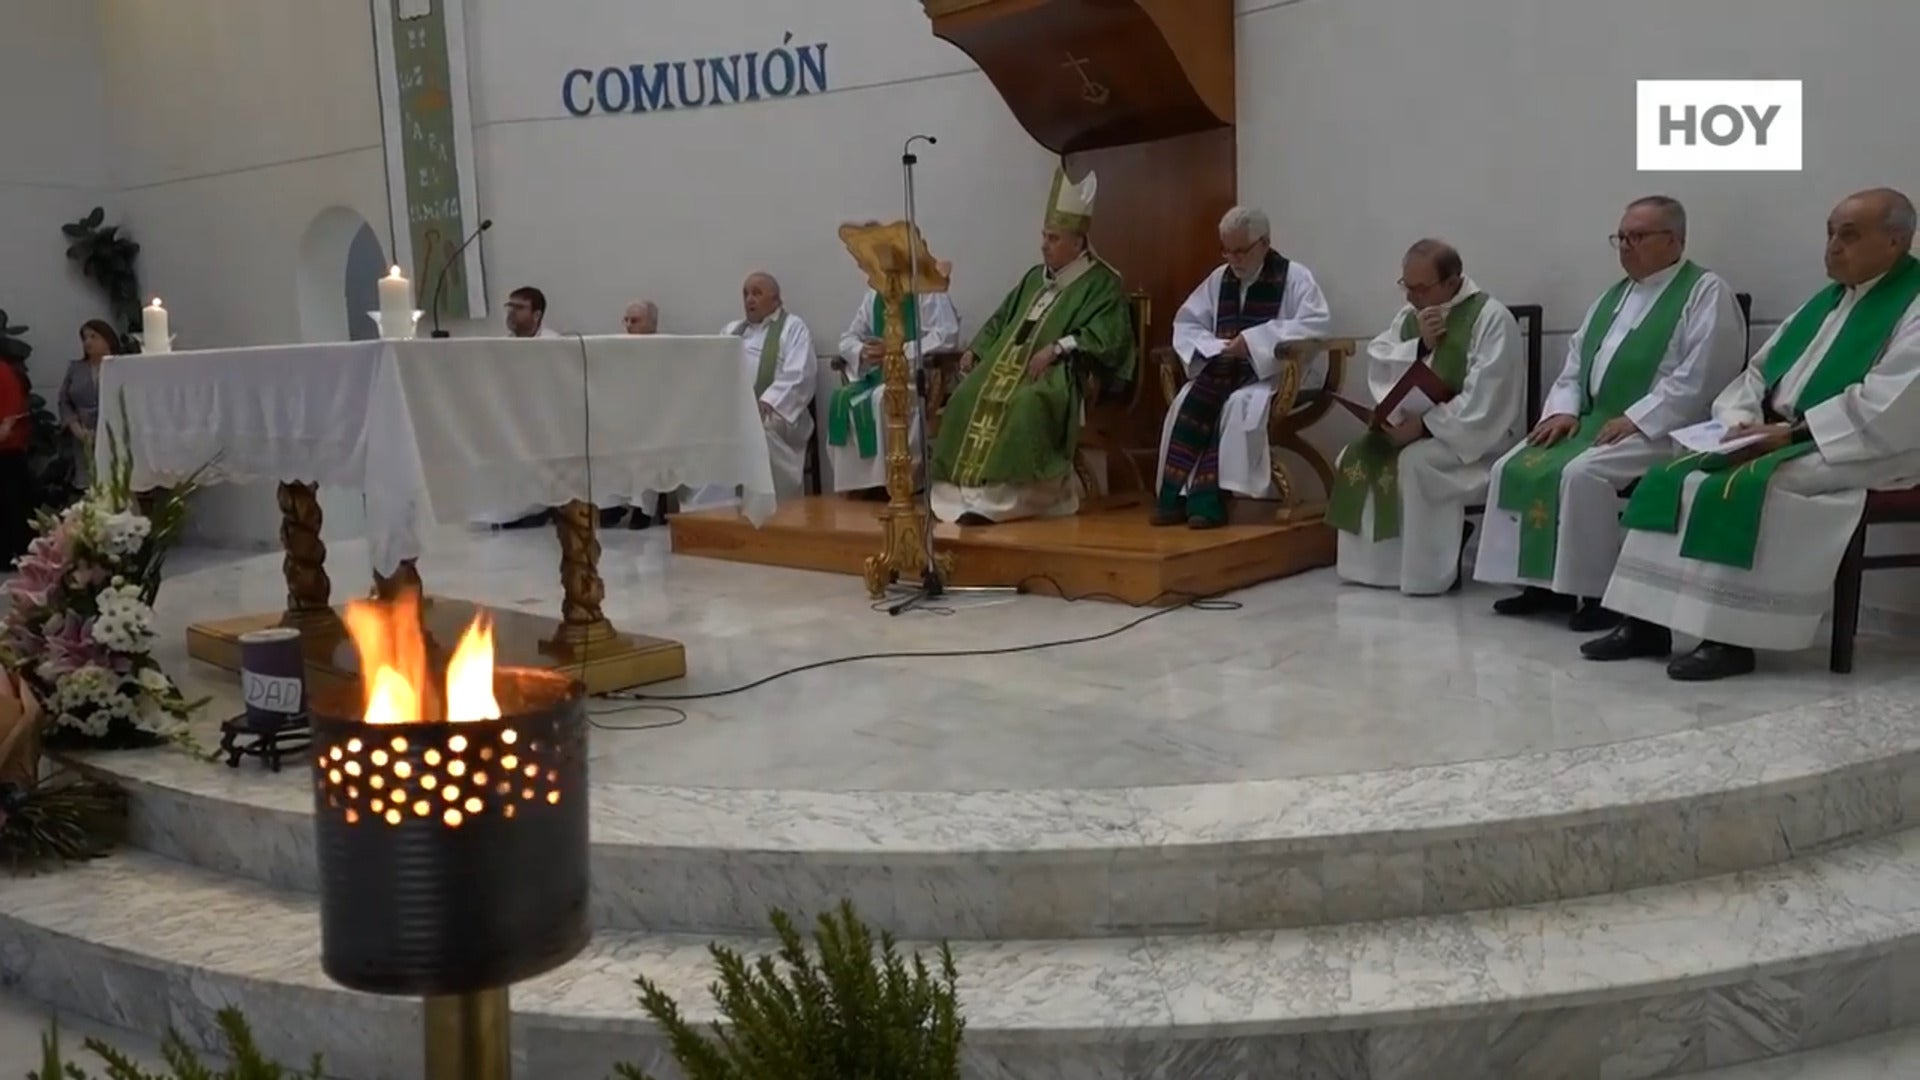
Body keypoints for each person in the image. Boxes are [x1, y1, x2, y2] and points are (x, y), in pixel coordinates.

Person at [1589, 188, 1920, 680]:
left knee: (1752, 486)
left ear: (1896, 242)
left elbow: (1895, 400)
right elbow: (1756, 375)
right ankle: (1646, 621)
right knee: (1673, 475)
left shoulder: (1911, 305)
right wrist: (1740, 421)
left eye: (1848, 236)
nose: (1832, 247)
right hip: (1786, 434)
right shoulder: (1826, 303)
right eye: (1830, 233)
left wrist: (1791, 434)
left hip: (1871, 446)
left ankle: (1732, 638)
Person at [1475, 196, 1746, 630]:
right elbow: (1575, 364)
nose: (1625, 246)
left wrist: (1639, 418)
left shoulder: (1705, 292)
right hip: (1595, 419)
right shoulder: (1612, 296)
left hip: (1666, 430)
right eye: (1620, 237)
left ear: (1674, 239)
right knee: (1514, 464)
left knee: (1583, 474)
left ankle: (1600, 595)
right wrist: (1562, 411)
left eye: (1637, 236)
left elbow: (1703, 376)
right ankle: (1540, 584)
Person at [928, 168, 1135, 524]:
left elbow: (1110, 337)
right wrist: (976, 350)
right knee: (964, 397)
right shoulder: (1033, 278)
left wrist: (1059, 348)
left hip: (1062, 371)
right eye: (1044, 236)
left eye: (1053, 239)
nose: (1044, 245)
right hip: (1004, 367)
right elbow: (1001, 319)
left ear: (1078, 243)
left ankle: (1018, 499)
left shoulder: (1103, 283)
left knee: (1025, 404)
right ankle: (964, 495)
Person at [1328, 240, 1525, 594]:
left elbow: (1489, 397)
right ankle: (1375, 570)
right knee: (1353, 455)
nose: (1410, 298)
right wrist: (1421, 347)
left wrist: (1425, 426)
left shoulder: (1491, 318)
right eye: (1406, 286)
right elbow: (1382, 363)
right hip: (1418, 428)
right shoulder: (1409, 319)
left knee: (1417, 462)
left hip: (1476, 438)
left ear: (1452, 281)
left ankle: (1427, 572)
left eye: (1420, 288)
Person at [1152, 206, 1332, 528]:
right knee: (1186, 400)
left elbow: (1314, 325)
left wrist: (1252, 342)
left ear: (1264, 243)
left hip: (1270, 374)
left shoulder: (1294, 277)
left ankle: (1212, 498)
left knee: (1235, 404)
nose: (1233, 260)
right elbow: (1188, 323)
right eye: (1227, 251)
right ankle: (1178, 494)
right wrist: (1211, 346)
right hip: (1222, 369)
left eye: (1241, 251)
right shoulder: (1218, 280)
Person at [826, 262, 961, 497]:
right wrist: (862, 351)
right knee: (841, 399)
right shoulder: (874, 295)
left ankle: (894, 482)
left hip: (916, 378)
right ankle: (859, 485)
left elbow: (946, 335)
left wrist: (897, 350)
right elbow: (848, 337)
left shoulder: (926, 290)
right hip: (878, 375)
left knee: (884, 398)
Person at [723, 272, 817, 499]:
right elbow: (716, 370)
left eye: (757, 293)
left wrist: (769, 400)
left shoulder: (793, 327)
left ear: (776, 299)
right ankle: (714, 514)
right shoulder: (732, 331)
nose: (749, 300)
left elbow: (801, 373)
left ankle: (767, 507)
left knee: (756, 433)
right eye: (745, 294)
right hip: (736, 410)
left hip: (780, 411)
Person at [484, 287, 566, 528]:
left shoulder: (552, 344)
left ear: (537, 315)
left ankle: (537, 507)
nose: (511, 313)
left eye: (519, 308)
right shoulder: (503, 345)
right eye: (509, 306)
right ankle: (509, 510)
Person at [0, 332, 33, 562]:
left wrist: (5, 428)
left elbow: (12, 409)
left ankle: (18, 552)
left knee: (12, 503)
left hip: (7, 449)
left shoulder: (3, 370)